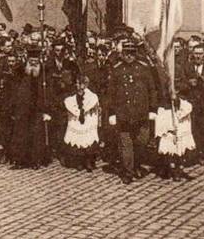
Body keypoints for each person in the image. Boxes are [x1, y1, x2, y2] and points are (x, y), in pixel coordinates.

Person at [105, 39, 160, 184]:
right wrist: (111, 112)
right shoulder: (117, 70)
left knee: (141, 141)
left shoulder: (143, 68)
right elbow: (110, 93)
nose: (129, 56)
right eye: (126, 53)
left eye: (131, 53)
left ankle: (136, 165)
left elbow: (152, 90)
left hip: (141, 113)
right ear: (122, 54)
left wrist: (153, 109)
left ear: (135, 54)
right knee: (125, 143)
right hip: (123, 113)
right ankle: (128, 172)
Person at [60, 73, 100, 172]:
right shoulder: (72, 96)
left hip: (88, 120)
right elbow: (69, 103)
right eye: (77, 83)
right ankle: (79, 161)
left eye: (79, 83)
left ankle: (88, 161)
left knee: (88, 139)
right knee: (77, 140)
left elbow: (93, 105)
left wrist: (85, 110)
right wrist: (77, 112)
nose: (77, 85)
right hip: (76, 120)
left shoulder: (92, 96)